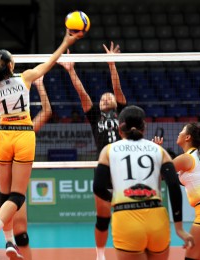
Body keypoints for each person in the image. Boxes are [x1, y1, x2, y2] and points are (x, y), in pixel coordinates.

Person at [0, 30, 80, 259]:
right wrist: (66, 41)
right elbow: (49, 63)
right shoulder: (25, 77)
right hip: (23, 135)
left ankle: (6, 241)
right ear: (9, 65)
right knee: (17, 196)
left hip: (4, 137)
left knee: (4, 194)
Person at [0, 76, 51, 260]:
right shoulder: (13, 132)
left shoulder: (10, 131)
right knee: (15, 234)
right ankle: (9, 241)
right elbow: (47, 112)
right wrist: (40, 85)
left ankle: (8, 240)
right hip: (11, 190)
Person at [93, 105, 194, 260]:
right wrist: (179, 228)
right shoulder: (159, 151)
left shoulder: (108, 150)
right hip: (156, 220)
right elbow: (174, 186)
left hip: (126, 218)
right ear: (144, 128)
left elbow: (98, 187)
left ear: (120, 129)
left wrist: (116, 201)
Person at [59, 41, 126, 260]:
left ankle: (129, 248)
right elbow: (82, 93)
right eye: (103, 97)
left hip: (125, 166)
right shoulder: (95, 115)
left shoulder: (123, 113)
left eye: (110, 96)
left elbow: (116, 88)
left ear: (116, 102)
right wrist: (71, 71)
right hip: (105, 167)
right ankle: (100, 255)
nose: (107, 96)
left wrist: (111, 64)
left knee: (127, 213)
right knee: (103, 218)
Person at [154, 122, 200, 260]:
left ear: (187, 137)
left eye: (182, 131)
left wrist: (157, 151)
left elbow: (160, 172)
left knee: (191, 258)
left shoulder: (186, 158)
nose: (178, 133)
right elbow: (183, 177)